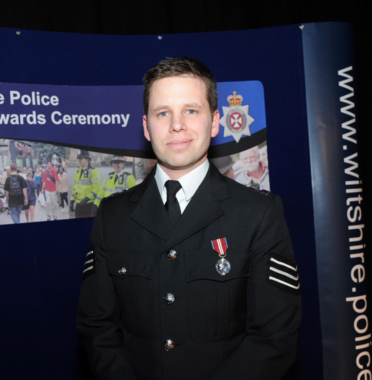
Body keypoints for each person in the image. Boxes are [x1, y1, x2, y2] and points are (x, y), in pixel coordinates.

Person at [77, 57, 301, 380]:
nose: (176, 125)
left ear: (214, 123)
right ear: (146, 127)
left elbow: (274, 338)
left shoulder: (258, 215)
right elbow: (97, 328)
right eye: (163, 112)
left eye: (191, 111)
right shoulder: (112, 217)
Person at [70, 150, 101, 218]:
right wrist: (72, 200)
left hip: (89, 205)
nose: (79, 160)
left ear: (87, 159)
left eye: (81, 158)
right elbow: (75, 187)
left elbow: (97, 189)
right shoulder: (78, 171)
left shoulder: (93, 172)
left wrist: (86, 199)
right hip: (79, 205)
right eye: (78, 158)